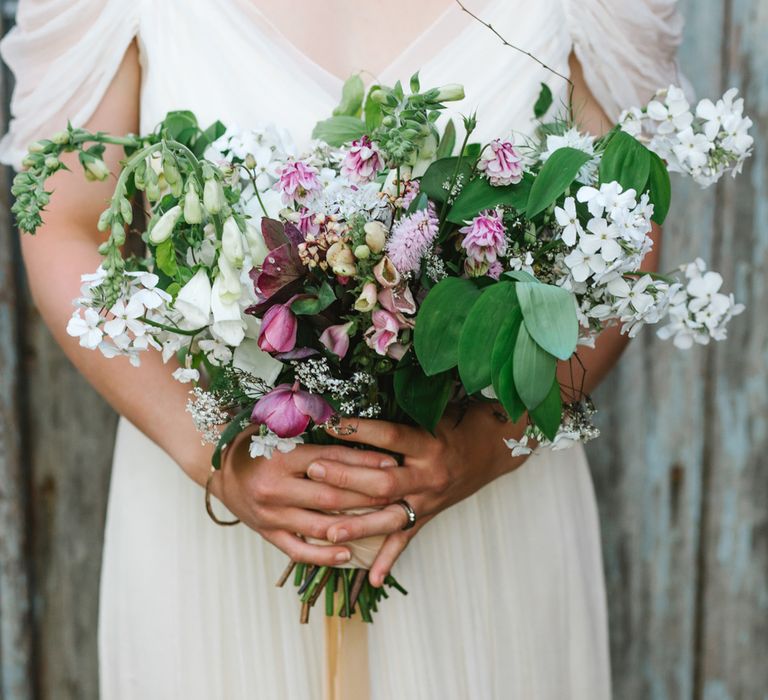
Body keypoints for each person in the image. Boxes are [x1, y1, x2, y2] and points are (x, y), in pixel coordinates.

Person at [0, 0, 684, 697]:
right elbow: (64, 226)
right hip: (211, 521)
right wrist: (216, 454)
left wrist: (482, 451)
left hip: (486, 516)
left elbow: (626, 241)